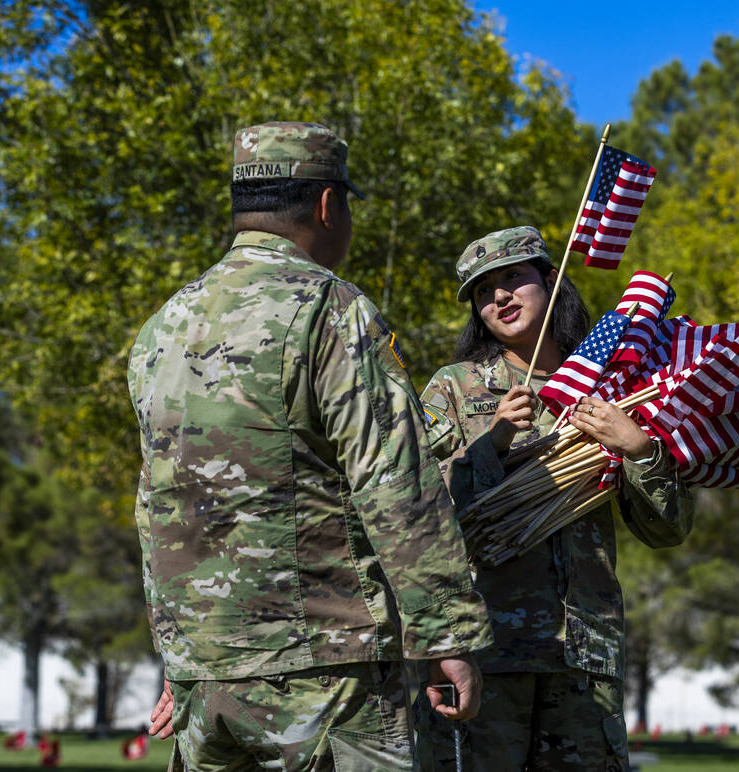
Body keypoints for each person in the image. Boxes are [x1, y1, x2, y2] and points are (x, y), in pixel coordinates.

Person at [128, 121, 492, 771]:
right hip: (326, 671)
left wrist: (178, 653)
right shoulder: (332, 311)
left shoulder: (161, 329)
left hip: (203, 681)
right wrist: (448, 633)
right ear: (328, 205)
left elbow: (157, 503)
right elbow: (396, 485)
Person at [414, 226, 695, 770]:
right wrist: (491, 443)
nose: (498, 297)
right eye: (482, 290)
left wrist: (639, 451)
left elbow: (667, 530)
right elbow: (419, 513)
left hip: (583, 656)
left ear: (551, 279)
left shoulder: (617, 387)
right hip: (485, 651)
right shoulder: (454, 387)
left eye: (513, 278)